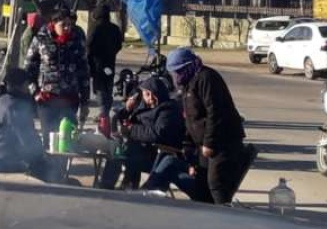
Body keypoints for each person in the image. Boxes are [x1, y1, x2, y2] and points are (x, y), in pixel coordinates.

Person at [165, 47, 250, 205]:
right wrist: (189, 149)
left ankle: (223, 215)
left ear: (188, 66)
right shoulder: (187, 85)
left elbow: (215, 113)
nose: (175, 76)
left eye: (178, 71)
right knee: (201, 185)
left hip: (223, 142)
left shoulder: (206, 78)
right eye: (173, 72)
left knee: (216, 184)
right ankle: (206, 216)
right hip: (203, 145)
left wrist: (209, 143)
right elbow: (191, 119)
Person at [100, 76, 184, 190]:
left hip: (155, 155)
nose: (150, 98)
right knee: (115, 152)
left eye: (151, 94)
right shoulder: (143, 107)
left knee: (123, 155)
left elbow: (157, 133)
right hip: (138, 150)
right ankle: (106, 187)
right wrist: (126, 109)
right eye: (146, 94)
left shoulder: (167, 109)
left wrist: (131, 130)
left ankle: (126, 186)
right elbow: (118, 121)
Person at [25, 8, 91, 141]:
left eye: (69, 25)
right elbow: (28, 69)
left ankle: (64, 162)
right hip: (46, 100)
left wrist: (85, 101)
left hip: (70, 100)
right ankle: (48, 161)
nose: (67, 28)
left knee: (67, 139)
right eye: (63, 25)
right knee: (50, 139)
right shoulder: (41, 39)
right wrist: (35, 92)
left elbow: (84, 72)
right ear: (53, 24)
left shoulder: (77, 41)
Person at [0, 68, 54, 182]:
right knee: (45, 171)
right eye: (27, 85)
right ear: (22, 85)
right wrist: (43, 157)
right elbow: (27, 141)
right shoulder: (15, 107)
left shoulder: (3, 100)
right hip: (0, 162)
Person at [87, 4, 124, 118]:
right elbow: (119, 45)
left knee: (99, 88)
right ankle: (105, 111)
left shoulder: (95, 28)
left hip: (97, 64)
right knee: (108, 87)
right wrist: (111, 53)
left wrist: (90, 59)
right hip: (110, 63)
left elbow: (89, 45)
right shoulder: (114, 28)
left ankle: (103, 112)